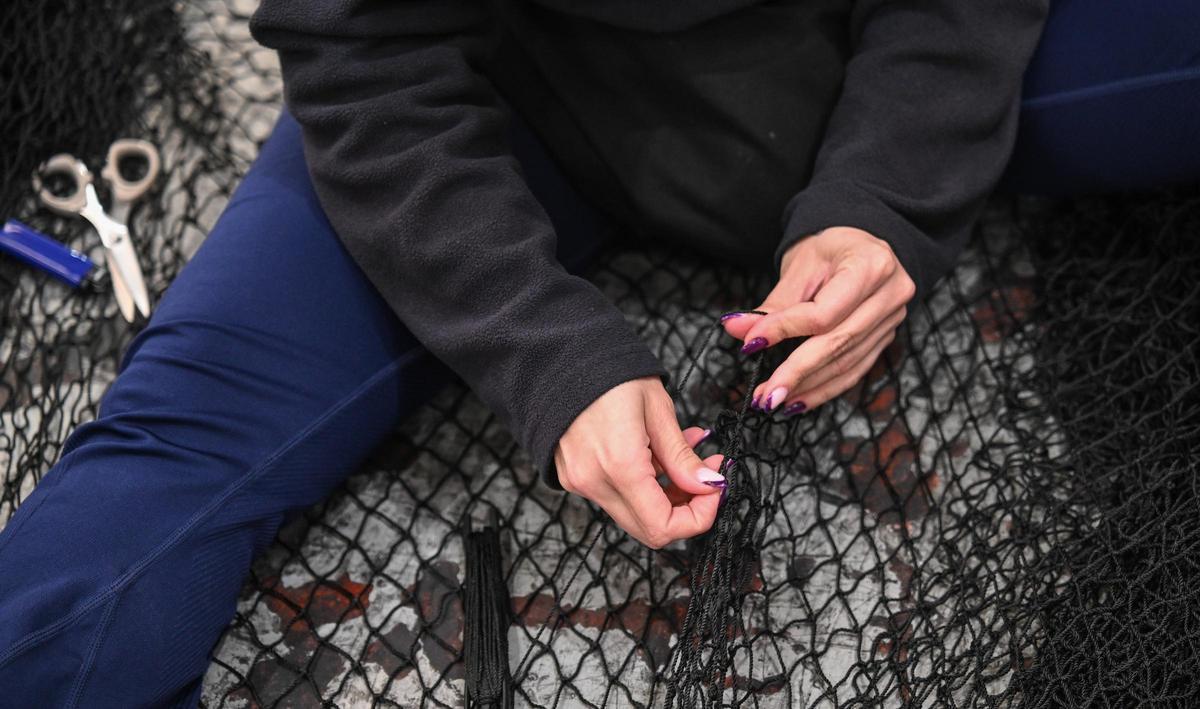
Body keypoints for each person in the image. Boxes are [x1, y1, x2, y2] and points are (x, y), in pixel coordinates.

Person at [2, 0, 1198, 704]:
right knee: (150, 487)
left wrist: (892, 191)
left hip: (869, 38)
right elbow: (360, 56)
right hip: (499, 92)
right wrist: (542, 348)